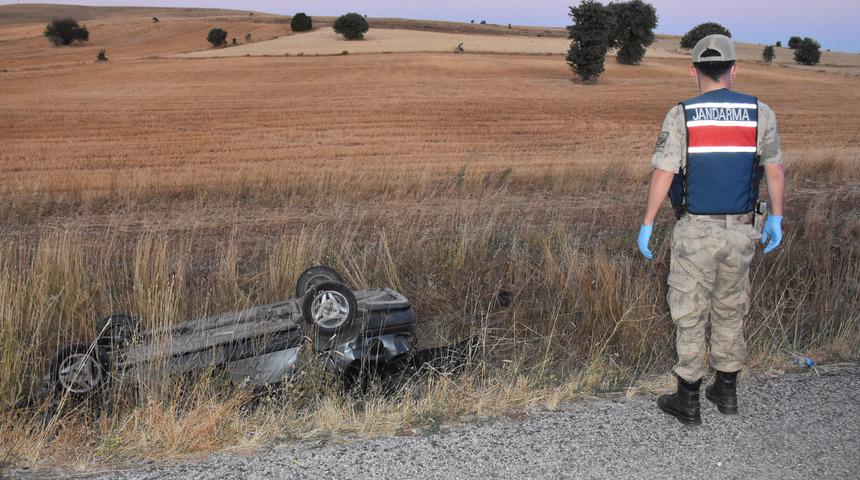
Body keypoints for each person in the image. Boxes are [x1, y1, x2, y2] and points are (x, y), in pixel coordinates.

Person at [637, 34, 786, 425]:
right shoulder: (760, 112)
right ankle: (726, 390)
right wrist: (776, 217)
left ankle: (688, 399)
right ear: (734, 69)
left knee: (689, 311)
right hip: (743, 229)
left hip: (696, 230)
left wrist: (647, 223)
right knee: (731, 307)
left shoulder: (682, 115)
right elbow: (774, 169)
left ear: (694, 71)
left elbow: (664, 173)